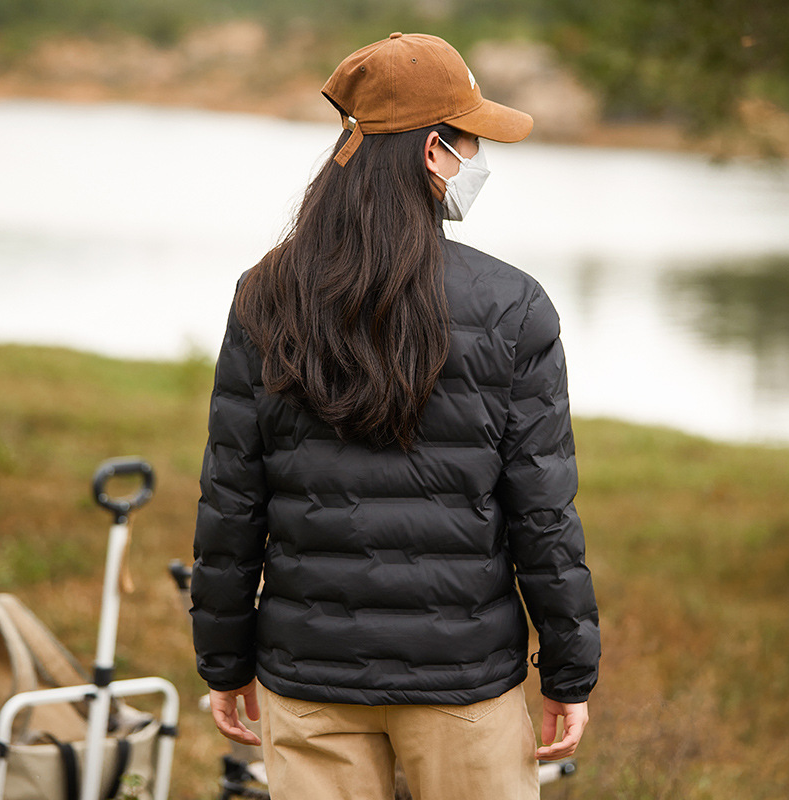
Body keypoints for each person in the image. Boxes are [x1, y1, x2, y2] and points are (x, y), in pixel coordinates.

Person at [191, 31, 601, 800]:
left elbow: (232, 501)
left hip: (306, 678)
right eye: (472, 140)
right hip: (464, 683)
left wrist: (223, 660)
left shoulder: (265, 293)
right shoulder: (513, 306)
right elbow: (542, 512)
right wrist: (569, 670)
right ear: (434, 152)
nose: (480, 159)